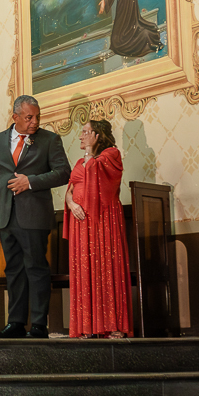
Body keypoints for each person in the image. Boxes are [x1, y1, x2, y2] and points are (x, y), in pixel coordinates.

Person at [0, 95, 71, 339]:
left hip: (35, 216)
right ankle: (16, 323)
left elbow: (63, 173)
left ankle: (40, 324)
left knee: (36, 268)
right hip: (6, 217)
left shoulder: (50, 140)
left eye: (37, 117)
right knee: (14, 270)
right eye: (29, 117)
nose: (34, 122)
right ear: (15, 117)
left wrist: (30, 182)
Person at [64, 119, 133, 339]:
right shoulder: (80, 161)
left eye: (85, 132)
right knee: (84, 270)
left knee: (105, 268)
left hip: (103, 221)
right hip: (81, 222)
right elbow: (70, 189)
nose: (81, 137)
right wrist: (72, 204)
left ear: (97, 135)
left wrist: (90, 153)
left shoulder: (111, 155)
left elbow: (102, 182)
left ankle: (113, 325)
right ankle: (87, 326)